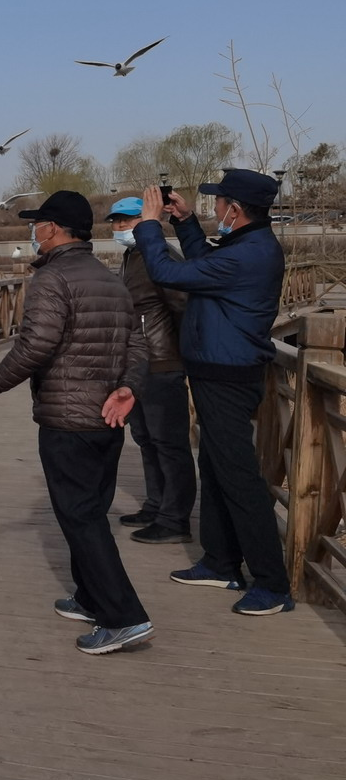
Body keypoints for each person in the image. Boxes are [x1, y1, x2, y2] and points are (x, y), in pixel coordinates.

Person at [0, 191, 152, 656]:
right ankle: (90, 596)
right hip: (107, 416)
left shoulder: (52, 280)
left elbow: (35, 346)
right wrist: (129, 386)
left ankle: (123, 617)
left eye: (38, 224)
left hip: (69, 419)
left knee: (81, 517)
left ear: (52, 229)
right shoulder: (110, 279)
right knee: (89, 510)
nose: (34, 232)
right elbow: (138, 345)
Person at [132, 172, 292, 616]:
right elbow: (203, 266)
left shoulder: (250, 255)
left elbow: (168, 271)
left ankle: (272, 584)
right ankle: (221, 562)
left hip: (227, 375)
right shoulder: (246, 247)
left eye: (218, 203)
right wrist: (184, 223)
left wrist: (149, 224)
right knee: (217, 467)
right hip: (217, 370)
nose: (214, 209)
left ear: (235, 210)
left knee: (239, 477)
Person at [106, 197, 195, 544]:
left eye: (127, 221)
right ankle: (156, 504)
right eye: (115, 222)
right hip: (139, 365)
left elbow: (183, 306)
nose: (119, 228)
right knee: (146, 439)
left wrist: (181, 354)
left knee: (169, 443)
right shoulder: (134, 257)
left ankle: (175, 518)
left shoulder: (162, 257)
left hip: (162, 361)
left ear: (148, 221)